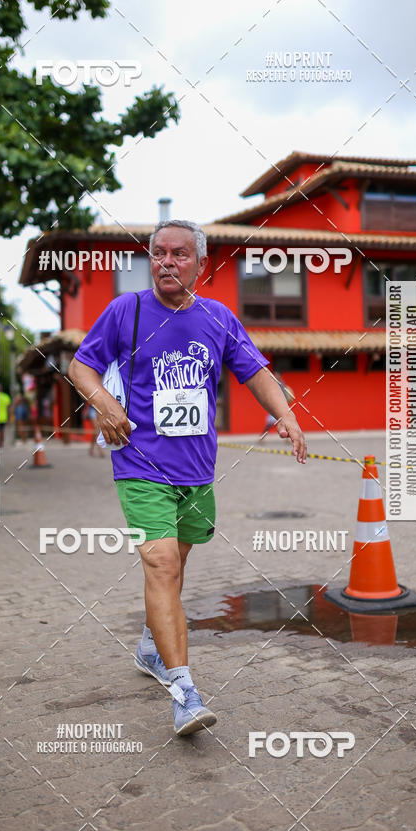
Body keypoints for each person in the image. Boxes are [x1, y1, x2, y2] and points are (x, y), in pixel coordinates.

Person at [68, 220, 307, 737]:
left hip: (197, 472)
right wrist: (106, 405)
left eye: (179, 254)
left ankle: (152, 647)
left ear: (202, 265)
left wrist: (284, 413)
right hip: (139, 463)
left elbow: (256, 371)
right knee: (160, 562)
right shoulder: (125, 311)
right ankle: (184, 693)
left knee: (174, 569)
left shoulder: (217, 317)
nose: (166, 262)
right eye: (158, 254)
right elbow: (81, 367)